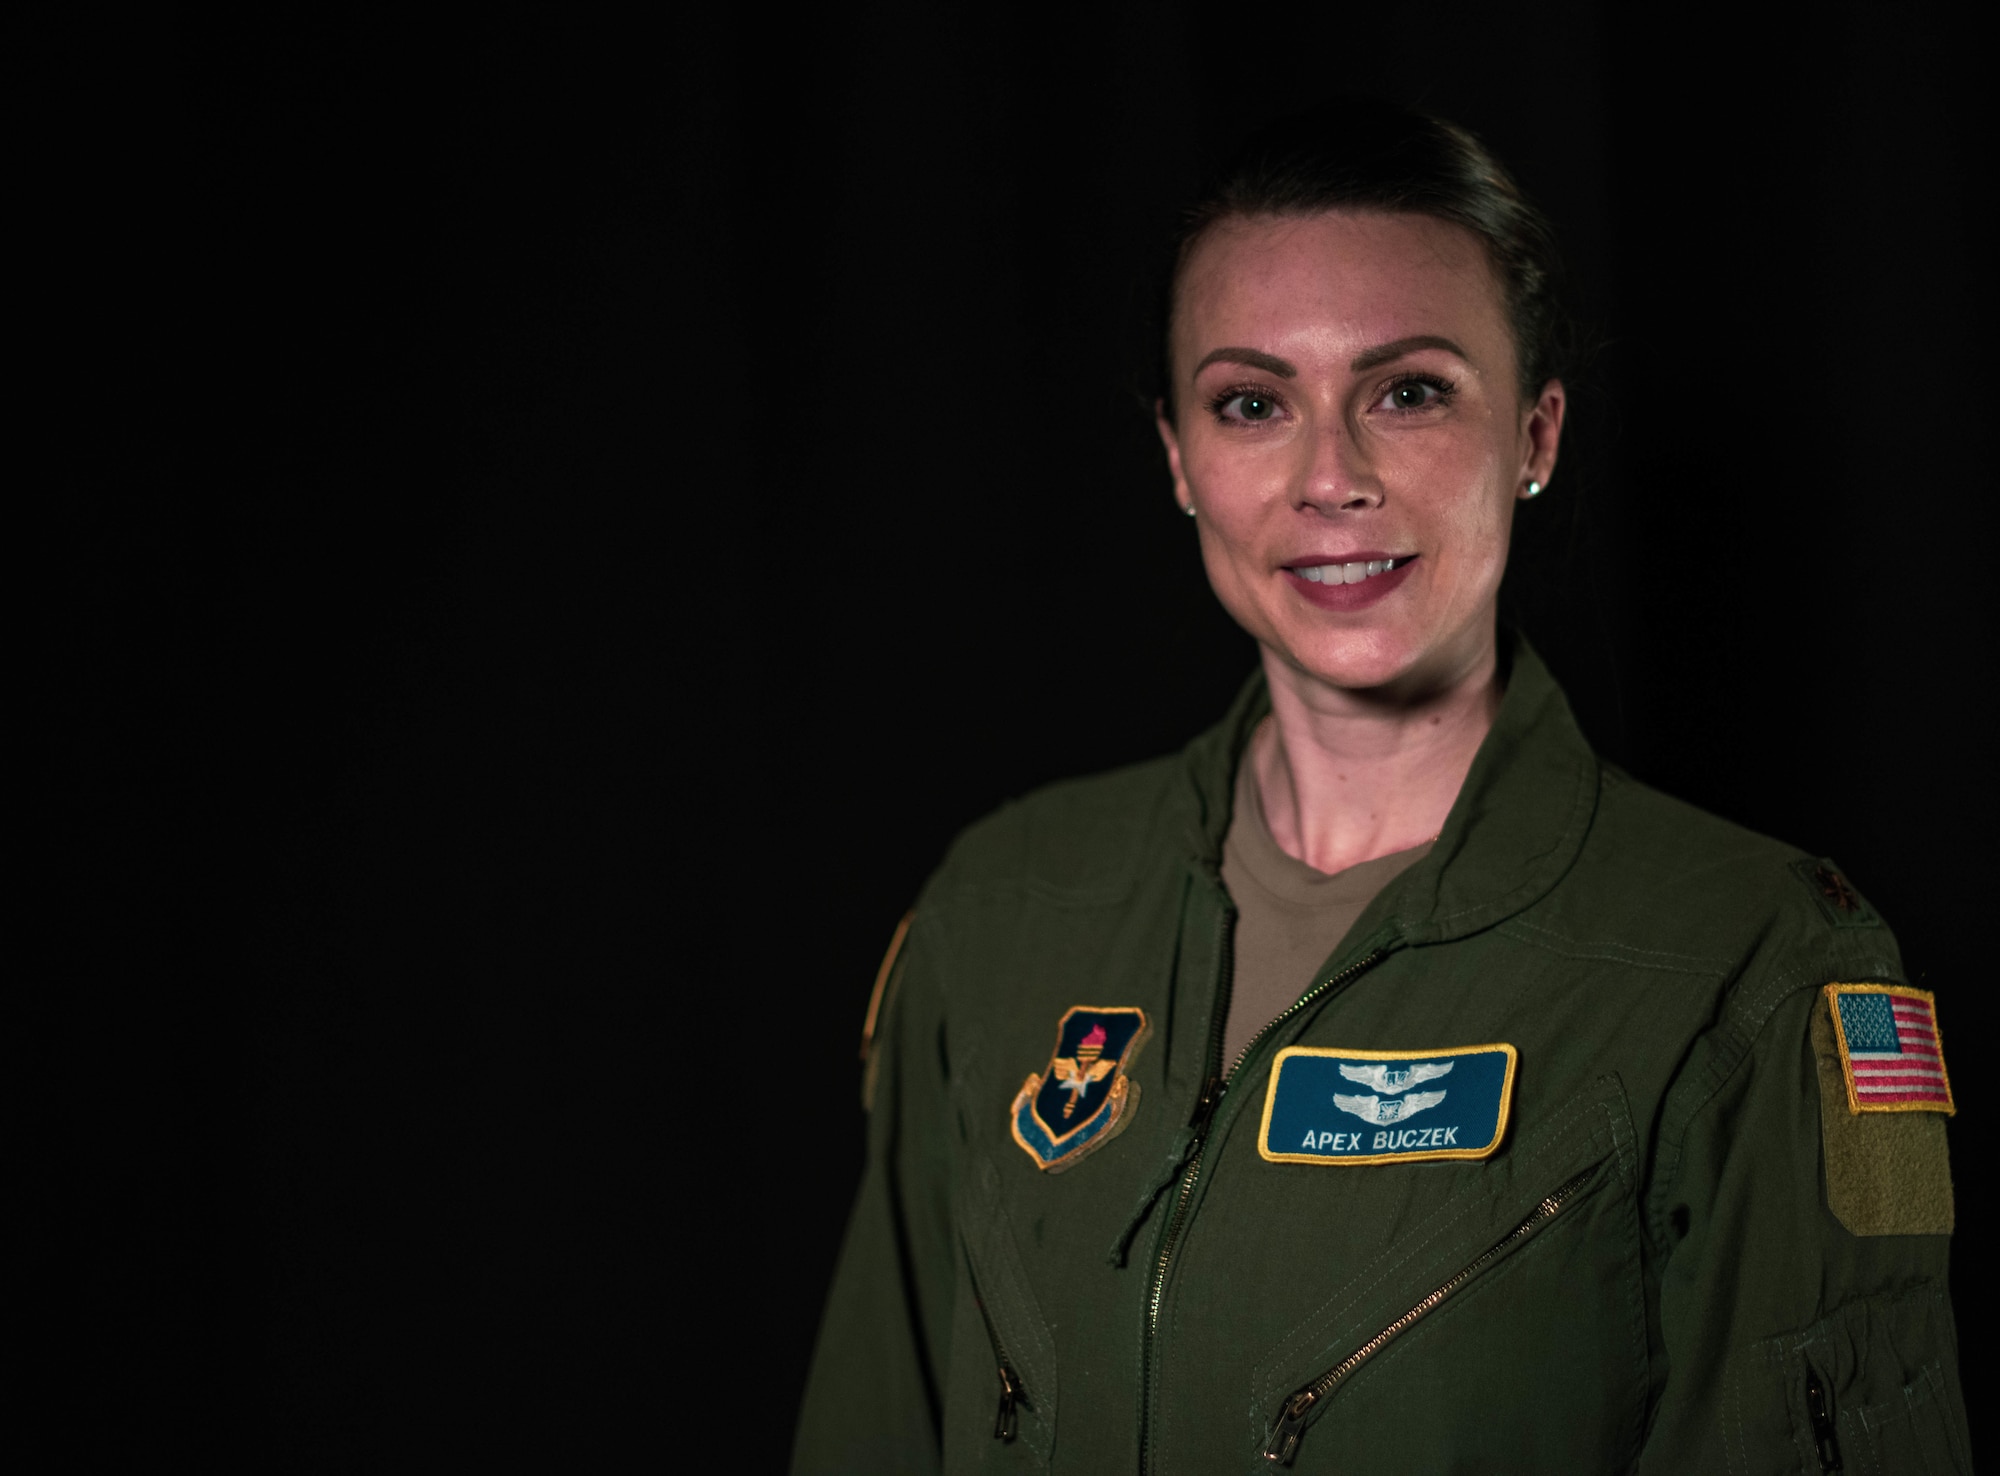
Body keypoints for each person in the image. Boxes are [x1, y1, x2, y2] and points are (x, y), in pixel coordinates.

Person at [791, 102, 1967, 1473]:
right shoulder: (1004, 910)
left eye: (1408, 392)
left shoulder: (1749, 966)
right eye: (1252, 404)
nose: (1330, 477)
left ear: (1534, 433)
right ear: (1178, 457)